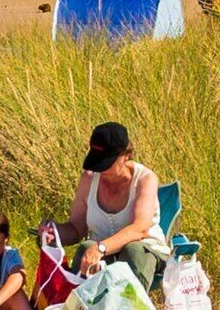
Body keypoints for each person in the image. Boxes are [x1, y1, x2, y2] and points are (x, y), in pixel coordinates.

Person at [61, 122, 169, 298]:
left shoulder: (145, 179)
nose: (100, 168)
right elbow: (76, 229)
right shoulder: (89, 179)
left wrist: (101, 247)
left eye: (107, 162)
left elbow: (140, 229)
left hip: (147, 251)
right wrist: (53, 233)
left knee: (133, 251)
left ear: (126, 155)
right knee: (86, 247)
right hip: (104, 253)